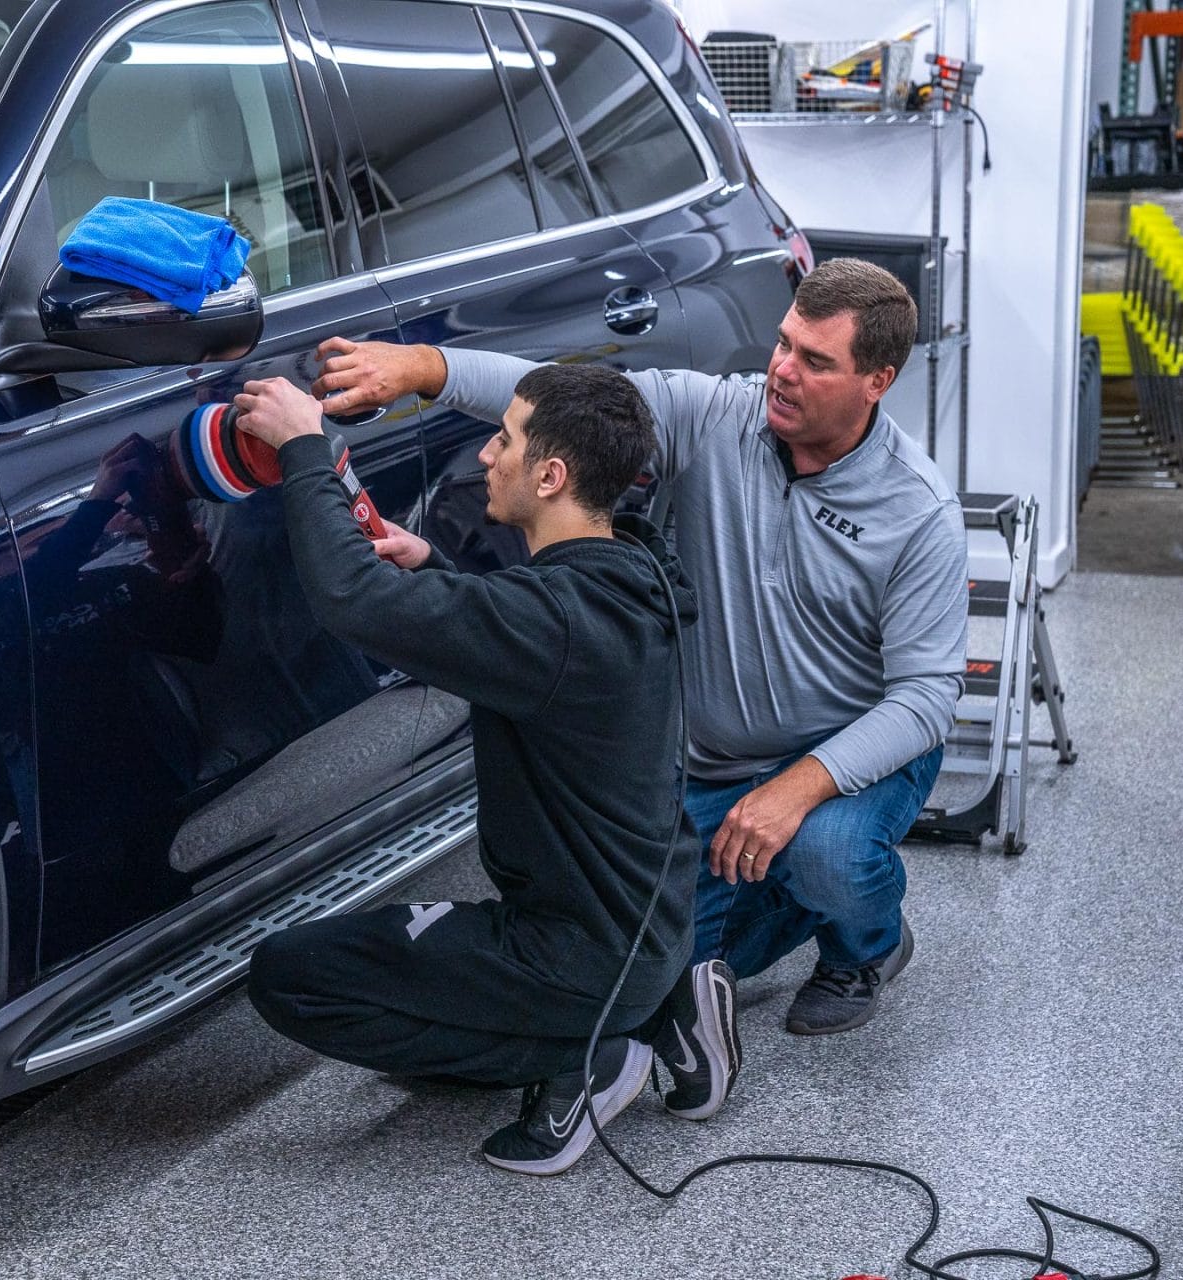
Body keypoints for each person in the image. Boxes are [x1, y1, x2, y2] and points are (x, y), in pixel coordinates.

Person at [306, 259, 968, 1099]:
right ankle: (779, 894)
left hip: (842, 755)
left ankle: (865, 947)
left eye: (816, 361)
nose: (782, 370)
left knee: (828, 852)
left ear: (878, 380)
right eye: (783, 343)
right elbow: (565, 403)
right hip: (713, 759)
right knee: (640, 968)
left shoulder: (917, 513)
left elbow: (926, 697)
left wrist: (797, 789)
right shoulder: (720, 416)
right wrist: (423, 370)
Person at [237, 363, 715, 1176]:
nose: (487, 455)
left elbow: (351, 600)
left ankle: (583, 1054)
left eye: (506, 438)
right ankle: (660, 1009)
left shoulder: (552, 618)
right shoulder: (631, 574)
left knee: (288, 976)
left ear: (552, 475)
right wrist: (436, 574)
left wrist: (306, 449)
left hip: (574, 953)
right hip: (652, 925)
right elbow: (538, 650)